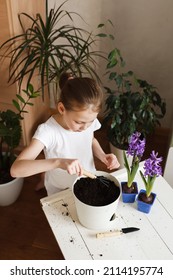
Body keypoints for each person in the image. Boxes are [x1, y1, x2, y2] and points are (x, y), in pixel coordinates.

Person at [10, 73, 120, 196]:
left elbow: (91, 139)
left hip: (86, 179)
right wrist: (58, 163)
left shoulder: (87, 121)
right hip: (60, 187)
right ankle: (45, 179)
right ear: (62, 109)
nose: (85, 127)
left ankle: (44, 177)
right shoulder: (48, 131)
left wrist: (103, 156)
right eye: (79, 122)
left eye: (90, 122)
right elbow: (16, 170)